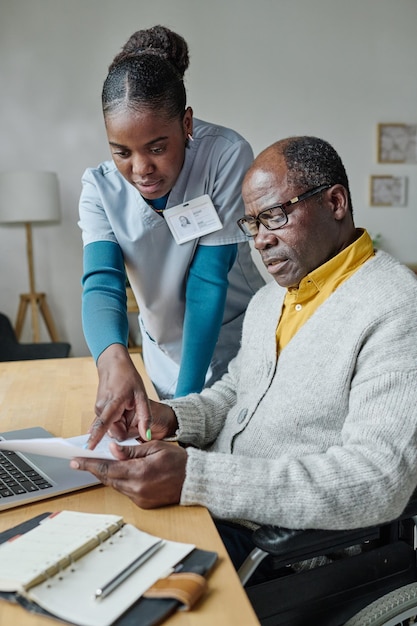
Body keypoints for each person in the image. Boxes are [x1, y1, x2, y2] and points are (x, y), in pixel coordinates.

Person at [74, 136, 417, 573]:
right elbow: (236, 392)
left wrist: (195, 477)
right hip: (215, 508)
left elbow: (379, 480)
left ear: (335, 202)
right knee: (87, 540)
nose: (260, 241)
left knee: (110, 574)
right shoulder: (270, 301)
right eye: (252, 223)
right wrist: (172, 418)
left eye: (274, 216)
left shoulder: (395, 306)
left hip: (283, 548)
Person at [78, 26, 265, 429]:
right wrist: (113, 357)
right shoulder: (99, 189)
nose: (141, 169)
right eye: (122, 152)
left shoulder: (225, 156)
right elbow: (102, 282)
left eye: (157, 148)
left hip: (237, 344)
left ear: (186, 123)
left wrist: (184, 408)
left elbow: (208, 279)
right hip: (165, 354)